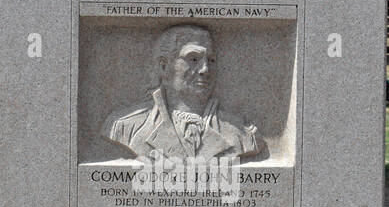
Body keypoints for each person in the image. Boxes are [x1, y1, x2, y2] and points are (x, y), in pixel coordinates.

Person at [102, 23, 266, 162]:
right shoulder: (125, 128)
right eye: (193, 59)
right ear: (164, 66)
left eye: (211, 60)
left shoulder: (243, 135)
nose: (205, 69)